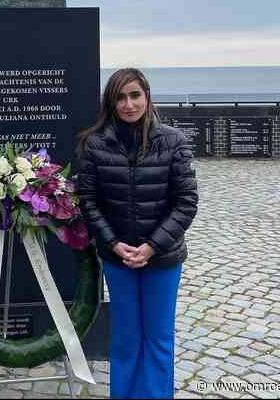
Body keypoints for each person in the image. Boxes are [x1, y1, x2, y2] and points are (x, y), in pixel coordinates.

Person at [76, 68, 198, 398]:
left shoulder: (173, 141)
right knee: (127, 337)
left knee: (158, 338)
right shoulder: (95, 145)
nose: (128, 104)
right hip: (119, 259)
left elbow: (186, 202)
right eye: (120, 97)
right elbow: (88, 202)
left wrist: (152, 246)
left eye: (135, 95)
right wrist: (114, 245)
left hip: (163, 258)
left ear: (147, 97)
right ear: (110, 102)